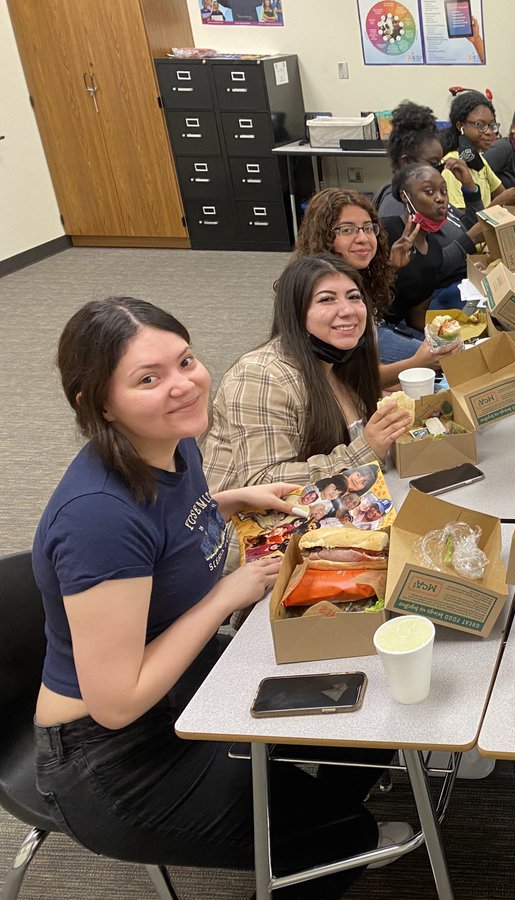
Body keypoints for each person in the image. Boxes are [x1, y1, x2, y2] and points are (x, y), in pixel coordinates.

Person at [33, 297, 406, 899]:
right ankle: (325, 842)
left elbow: (170, 528)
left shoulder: (170, 443)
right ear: (97, 402)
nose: (183, 386)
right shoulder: (98, 519)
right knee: (340, 835)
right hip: (114, 757)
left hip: (189, 681)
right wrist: (223, 597)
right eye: (148, 379)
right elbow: (116, 703)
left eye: (185, 361)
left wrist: (231, 501)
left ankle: (307, 818)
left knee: (371, 705)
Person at [203, 254, 414, 493]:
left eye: (354, 297)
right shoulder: (260, 374)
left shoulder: (342, 359)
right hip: (256, 524)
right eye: (327, 300)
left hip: (333, 506)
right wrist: (366, 449)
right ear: (296, 312)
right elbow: (264, 481)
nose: (347, 310)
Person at [292, 187, 451, 380]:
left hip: (376, 333)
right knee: (443, 360)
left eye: (368, 228)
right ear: (323, 235)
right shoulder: (315, 288)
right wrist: (417, 364)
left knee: (445, 352)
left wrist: (390, 268)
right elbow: (348, 378)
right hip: (352, 371)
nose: (363, 239)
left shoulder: (362, 271)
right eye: (347, 230)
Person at [378, 162, 479, 331]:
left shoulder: (434, 251)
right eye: (429, 192)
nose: (440, 198)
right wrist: (391, 268)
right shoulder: (383, 233)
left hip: (398, 328)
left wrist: (439, 337)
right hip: (370, 327)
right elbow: (362, 291)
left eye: (443, 191)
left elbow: (417, 316)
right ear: (405, 196)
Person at [378, 99, 484, 227]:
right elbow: (429, 246)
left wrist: (470, 188)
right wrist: (468, 241)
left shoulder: (431, 198)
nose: (439, 170)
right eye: (433, 163)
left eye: (440, 162)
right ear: (406, 163)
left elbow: (471, 227)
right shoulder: (397, 207)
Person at [440, 90, 515, 217]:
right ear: (460, 126)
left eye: (491, 125)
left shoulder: (479, 159)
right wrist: (498, 203)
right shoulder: (452, 165)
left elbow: (502, 194)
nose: (489, 132)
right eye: (480, 125)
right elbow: (464, 226)